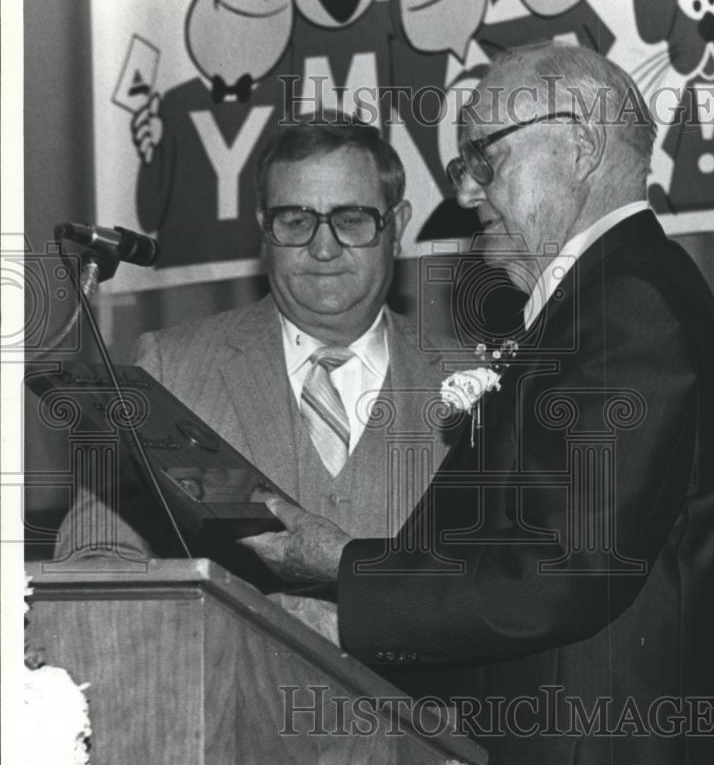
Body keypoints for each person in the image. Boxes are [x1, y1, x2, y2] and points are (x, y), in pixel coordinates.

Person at [240, 43, 714, 765]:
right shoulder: (615, 295)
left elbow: (562, 572)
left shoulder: (626, 304)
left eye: (486, 157)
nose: (465, 190)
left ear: (583, 146)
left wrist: (343, 580)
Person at [56, 117, 454, 637]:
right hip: (223, 707)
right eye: (295, 221)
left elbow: (511, 586)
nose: (323, 248)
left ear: (397, 225)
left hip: (421, 714)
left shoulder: (480, 380)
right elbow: (97, 557)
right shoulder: (170, 369)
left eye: (352, 219)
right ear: (264, 227)